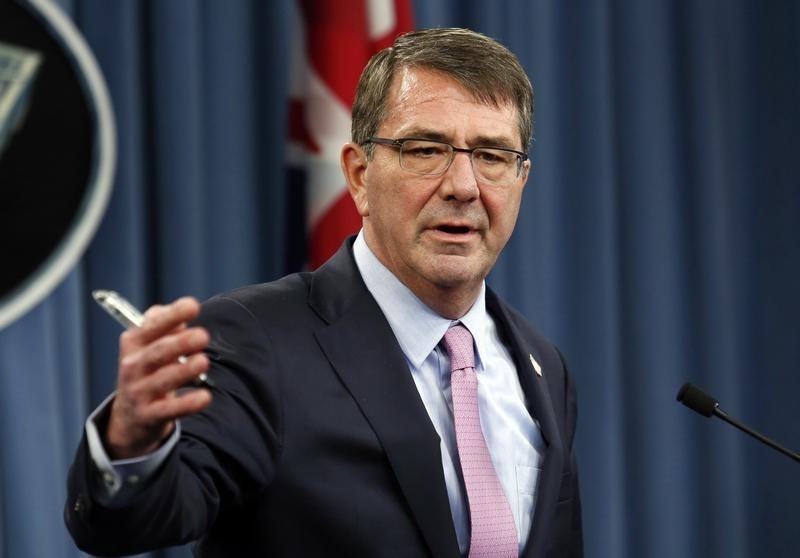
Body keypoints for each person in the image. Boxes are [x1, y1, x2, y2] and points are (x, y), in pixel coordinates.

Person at [65, 27, 583, 557]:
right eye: (425, 149)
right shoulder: (254, 339)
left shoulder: (543, 364)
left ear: (522, 178)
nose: (463, 185)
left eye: (493, 156)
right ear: (359, 176)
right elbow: (143, 519)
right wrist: (132, 445)